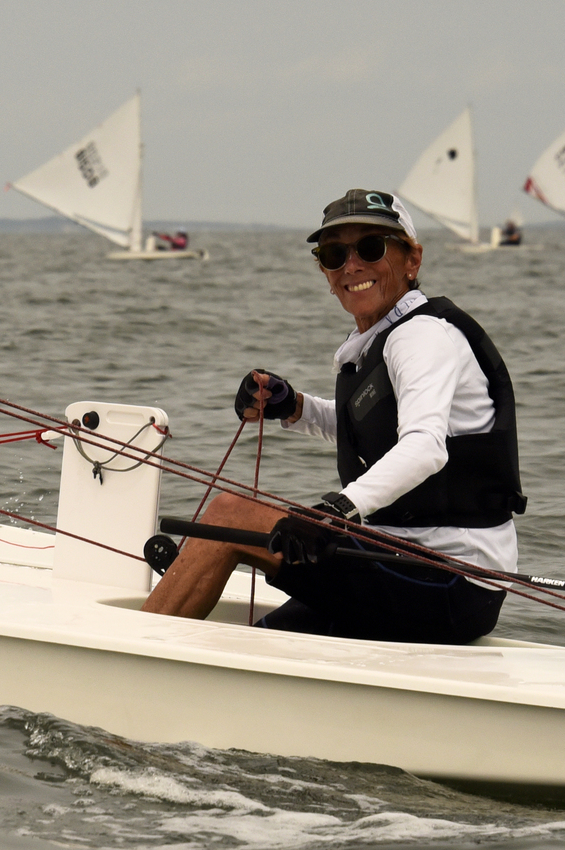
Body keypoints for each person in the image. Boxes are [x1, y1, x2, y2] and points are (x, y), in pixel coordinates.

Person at [142, 189, 525, 644]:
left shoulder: (420, 338)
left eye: (370, 248)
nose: (351, 265)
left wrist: (335, 512)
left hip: (449, 583)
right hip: (398, 563)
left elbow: (424, 447)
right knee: (265, 640)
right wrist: (295, 407)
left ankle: (131, 654)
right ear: (324, 270)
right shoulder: (380, 338)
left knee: (233, 514)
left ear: (412, 260)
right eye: (333, 253)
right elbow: (371, 431)